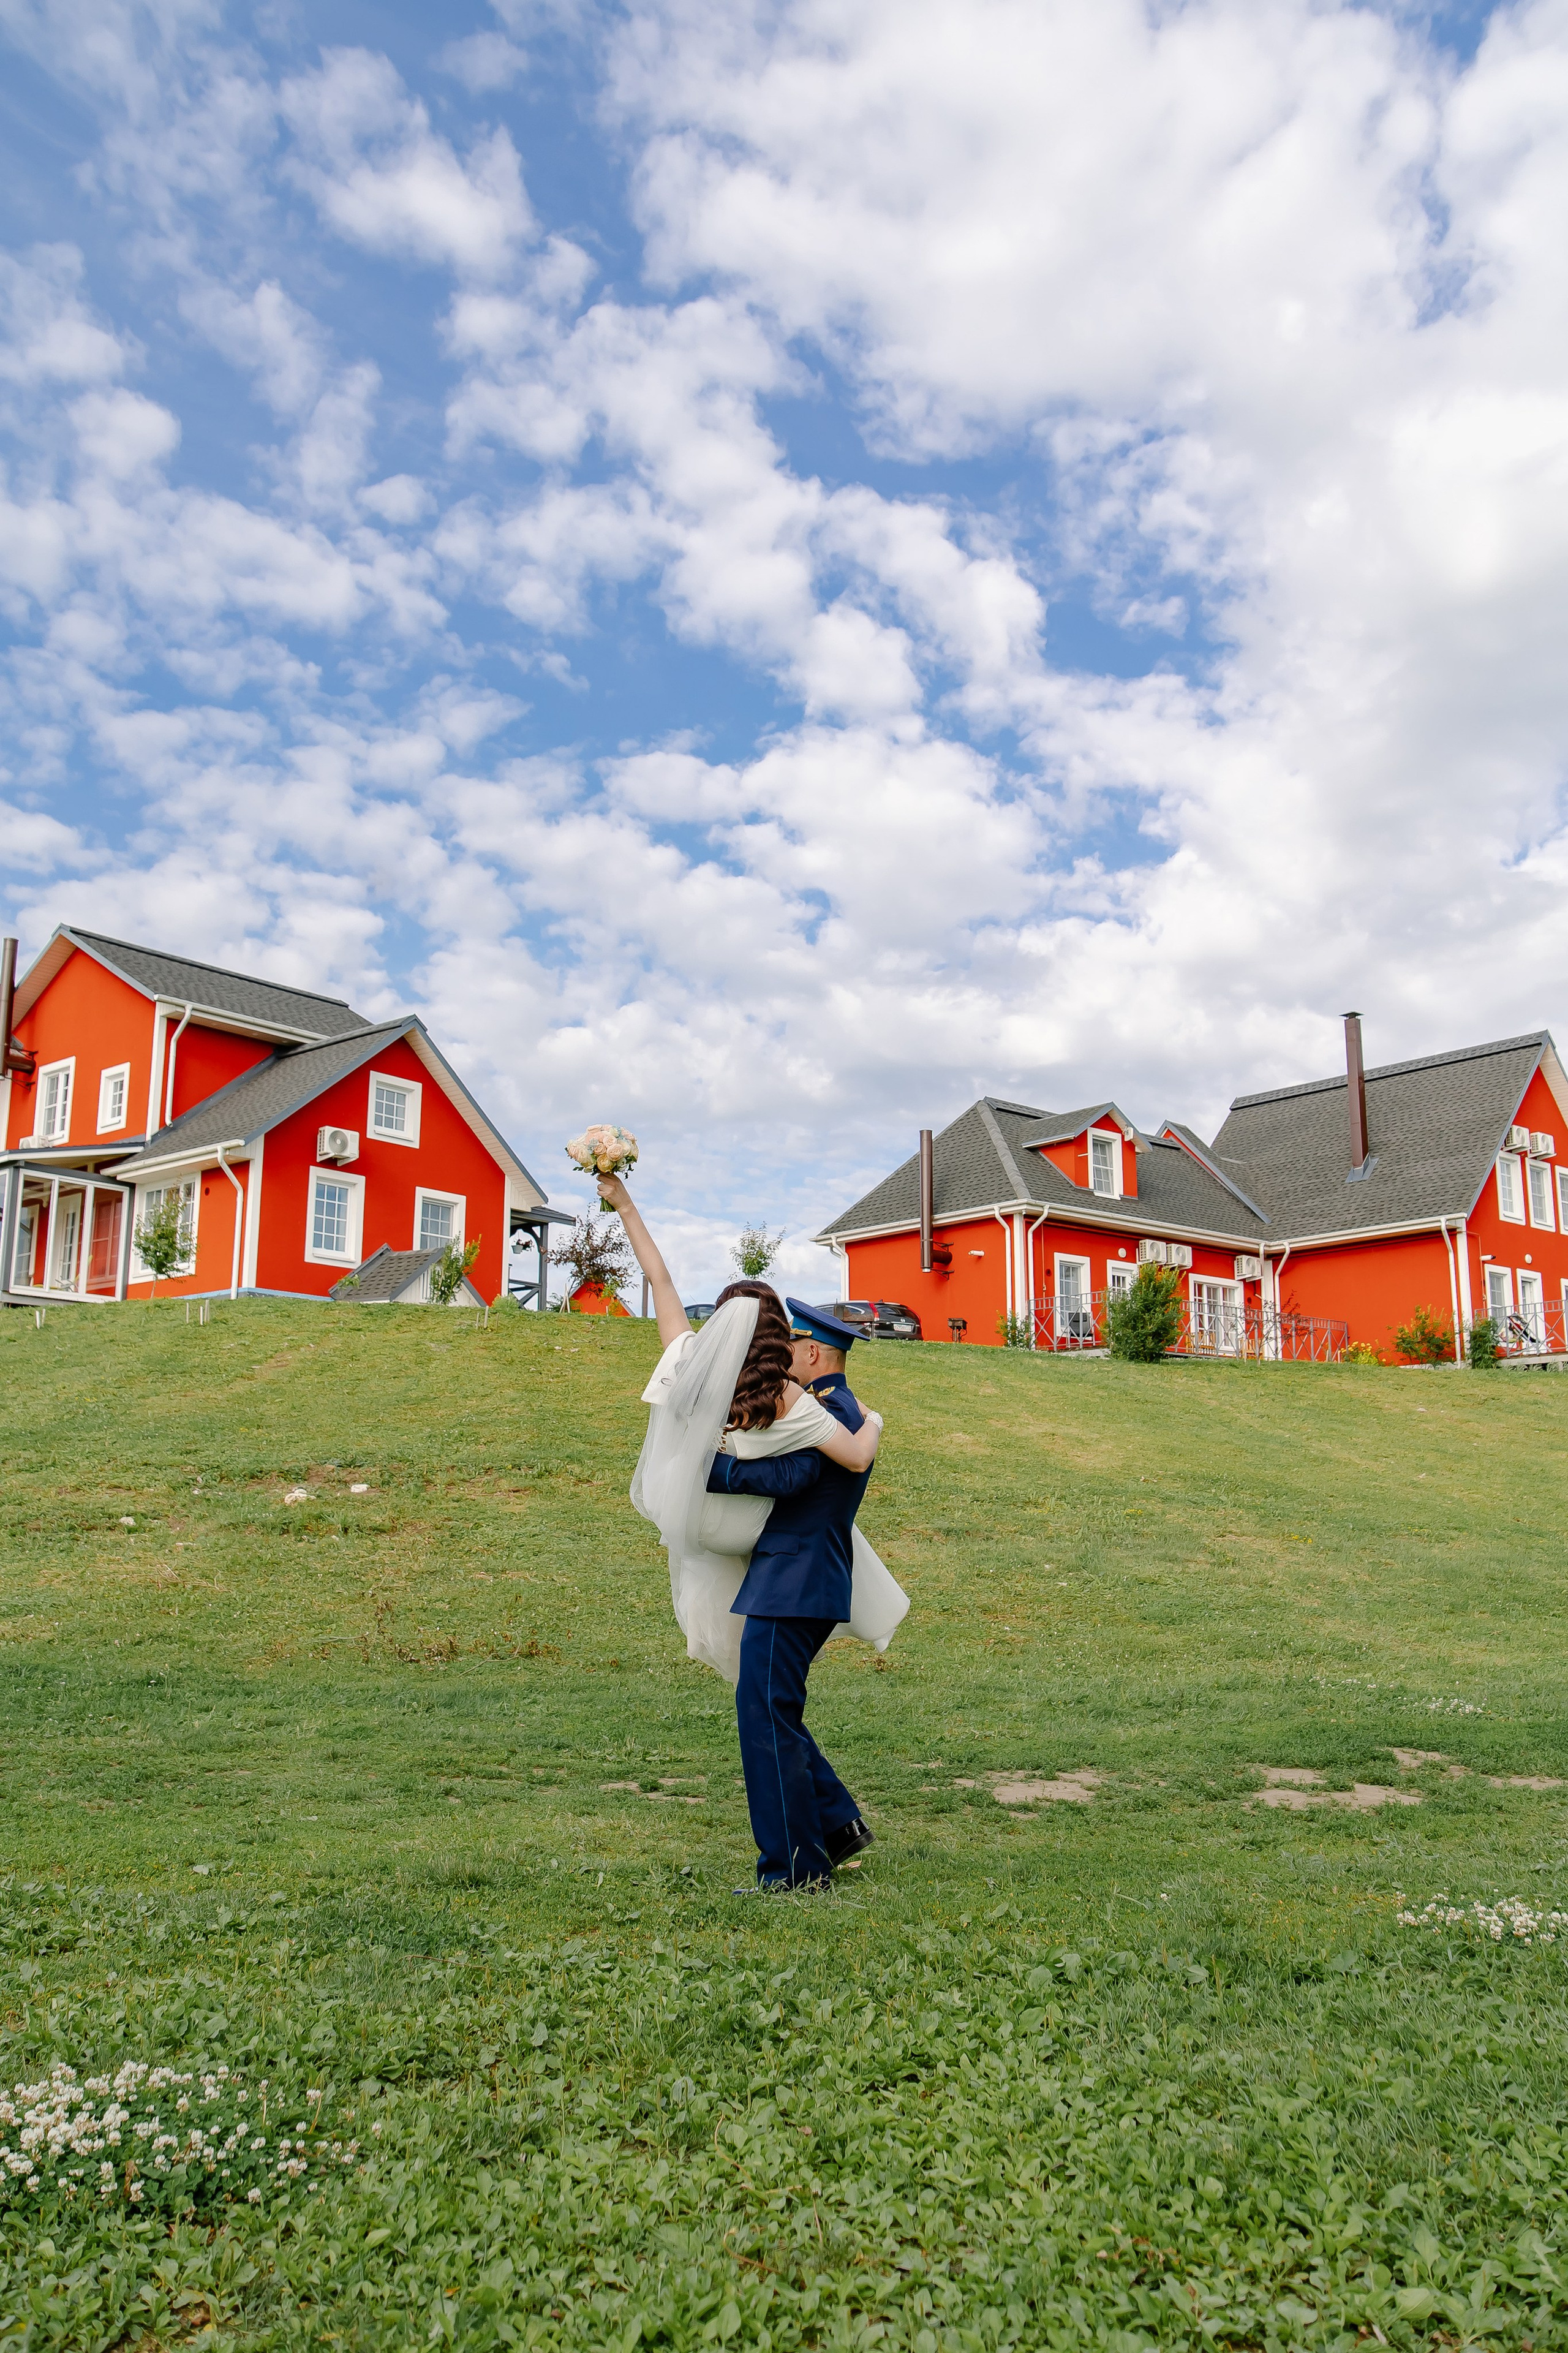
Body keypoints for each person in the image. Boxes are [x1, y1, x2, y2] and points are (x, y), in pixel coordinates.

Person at [598, 1175, 906, 1887]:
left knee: (764, 1714)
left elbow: (801, 1478)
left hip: (795, 1580)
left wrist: (701, 1469)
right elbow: (836, 1458)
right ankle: (834, 1824)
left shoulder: (805, 1405)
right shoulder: (793, 1404)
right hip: (787, 1576)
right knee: (770, 1709)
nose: (798, 1347)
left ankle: (794, 1871)